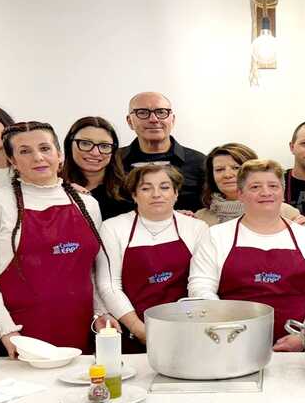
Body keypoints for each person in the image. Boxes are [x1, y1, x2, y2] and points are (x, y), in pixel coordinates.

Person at [0, 121, 114, 357]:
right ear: (12, 161)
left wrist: (100, 312)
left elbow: (92, 270)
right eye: (24, 151)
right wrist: (6, 330)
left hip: (80, 323)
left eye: (45, 148)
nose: (38, 158)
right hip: (21, 331)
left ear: (59, 155)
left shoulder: (88, 204)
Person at [189, 159, 305, 351]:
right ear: (240, 194)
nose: (266, 192)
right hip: (230, 344)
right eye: (255, 186)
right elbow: (201, 286)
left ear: (282, 193)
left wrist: (304, 335)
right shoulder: (216, 235)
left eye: (273, 186)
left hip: (296, 347)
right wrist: (227, 328)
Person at [96, 165, 209, 350]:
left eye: (164, 187)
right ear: (134, 195)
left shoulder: (197, 228)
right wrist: (139, 329)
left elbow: (201, 283)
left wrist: (191, 327)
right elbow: (109, 285)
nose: (156, 194)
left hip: (189, 331)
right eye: (146, 188)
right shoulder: (113, 228)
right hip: (133, 330)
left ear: (176, 193)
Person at [120, 92, 206, 211]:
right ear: (129, 121)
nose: (153, 119)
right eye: (143, 113)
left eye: (161, 112)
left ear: (173, 120)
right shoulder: (113, 161)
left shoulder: (200, 162)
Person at [195, 143, 303, 225]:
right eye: (219, 169)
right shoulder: (200, 218)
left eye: (236, 168)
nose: (227, 175)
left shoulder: (285, 213)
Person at [61, 116, 134, 221]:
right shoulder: (55, 187)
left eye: (104, 146)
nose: (95, 152)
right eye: (85, 143)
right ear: (69, 145)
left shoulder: (131, 189)